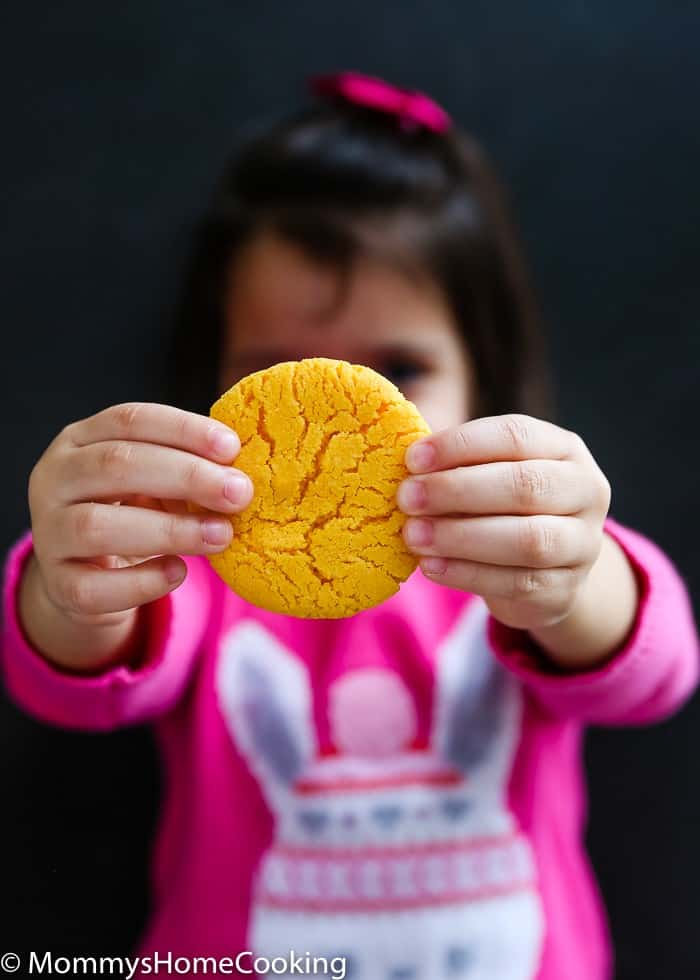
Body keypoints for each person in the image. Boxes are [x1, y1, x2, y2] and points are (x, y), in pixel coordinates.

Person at [2, 72, 698, 980]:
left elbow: (652, 673)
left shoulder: (523, 570)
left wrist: (571, 572)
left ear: (484, 385)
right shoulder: (195, 566)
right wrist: (77, 585)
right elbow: (76, 682)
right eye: (276, 368)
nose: (335, 434)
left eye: (401, 369)